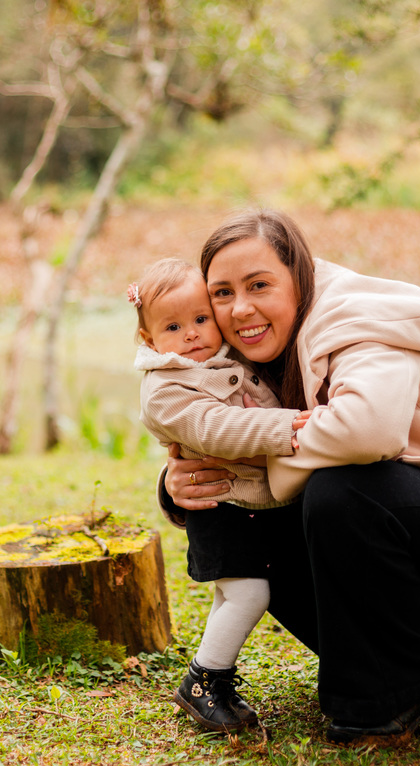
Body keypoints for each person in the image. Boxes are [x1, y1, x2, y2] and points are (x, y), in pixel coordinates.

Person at [159, 209, 420, 747]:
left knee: (341, 491)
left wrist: (257, 452)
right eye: (222, 294)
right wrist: (181, 480)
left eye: (259, 285)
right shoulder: (249, 353)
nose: (241, 308)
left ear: (300, 277)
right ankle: (408, 674)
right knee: (238, 501)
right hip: (415, 519)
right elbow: (223, 428)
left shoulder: (353, 322)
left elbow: (370, 432)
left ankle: (384, 701)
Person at [129, 257, 310, 733]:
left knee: (233, 595)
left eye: (201, 319)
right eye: (173, 326)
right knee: (249, 593)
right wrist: (289, 427)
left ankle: (211, 674)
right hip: (222, 508)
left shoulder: (228, 355)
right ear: (150, 341)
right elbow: (215, 428)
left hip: (254, 505)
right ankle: (204, 682)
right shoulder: (164, 390)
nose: (192, 334)